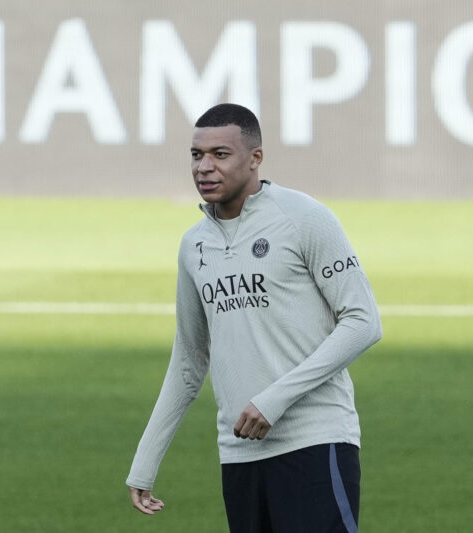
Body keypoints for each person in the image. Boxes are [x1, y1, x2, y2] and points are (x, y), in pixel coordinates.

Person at [125, 103, 382, 532]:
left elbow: (363, 321)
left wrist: (273, 400)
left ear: (255, 158)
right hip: (239, 455)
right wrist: (145, 462)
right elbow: (189, 361)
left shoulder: (303, 218)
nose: (204, 167)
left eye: (220, 155)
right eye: (196, 155)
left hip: (316, 443)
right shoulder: (194, 246)